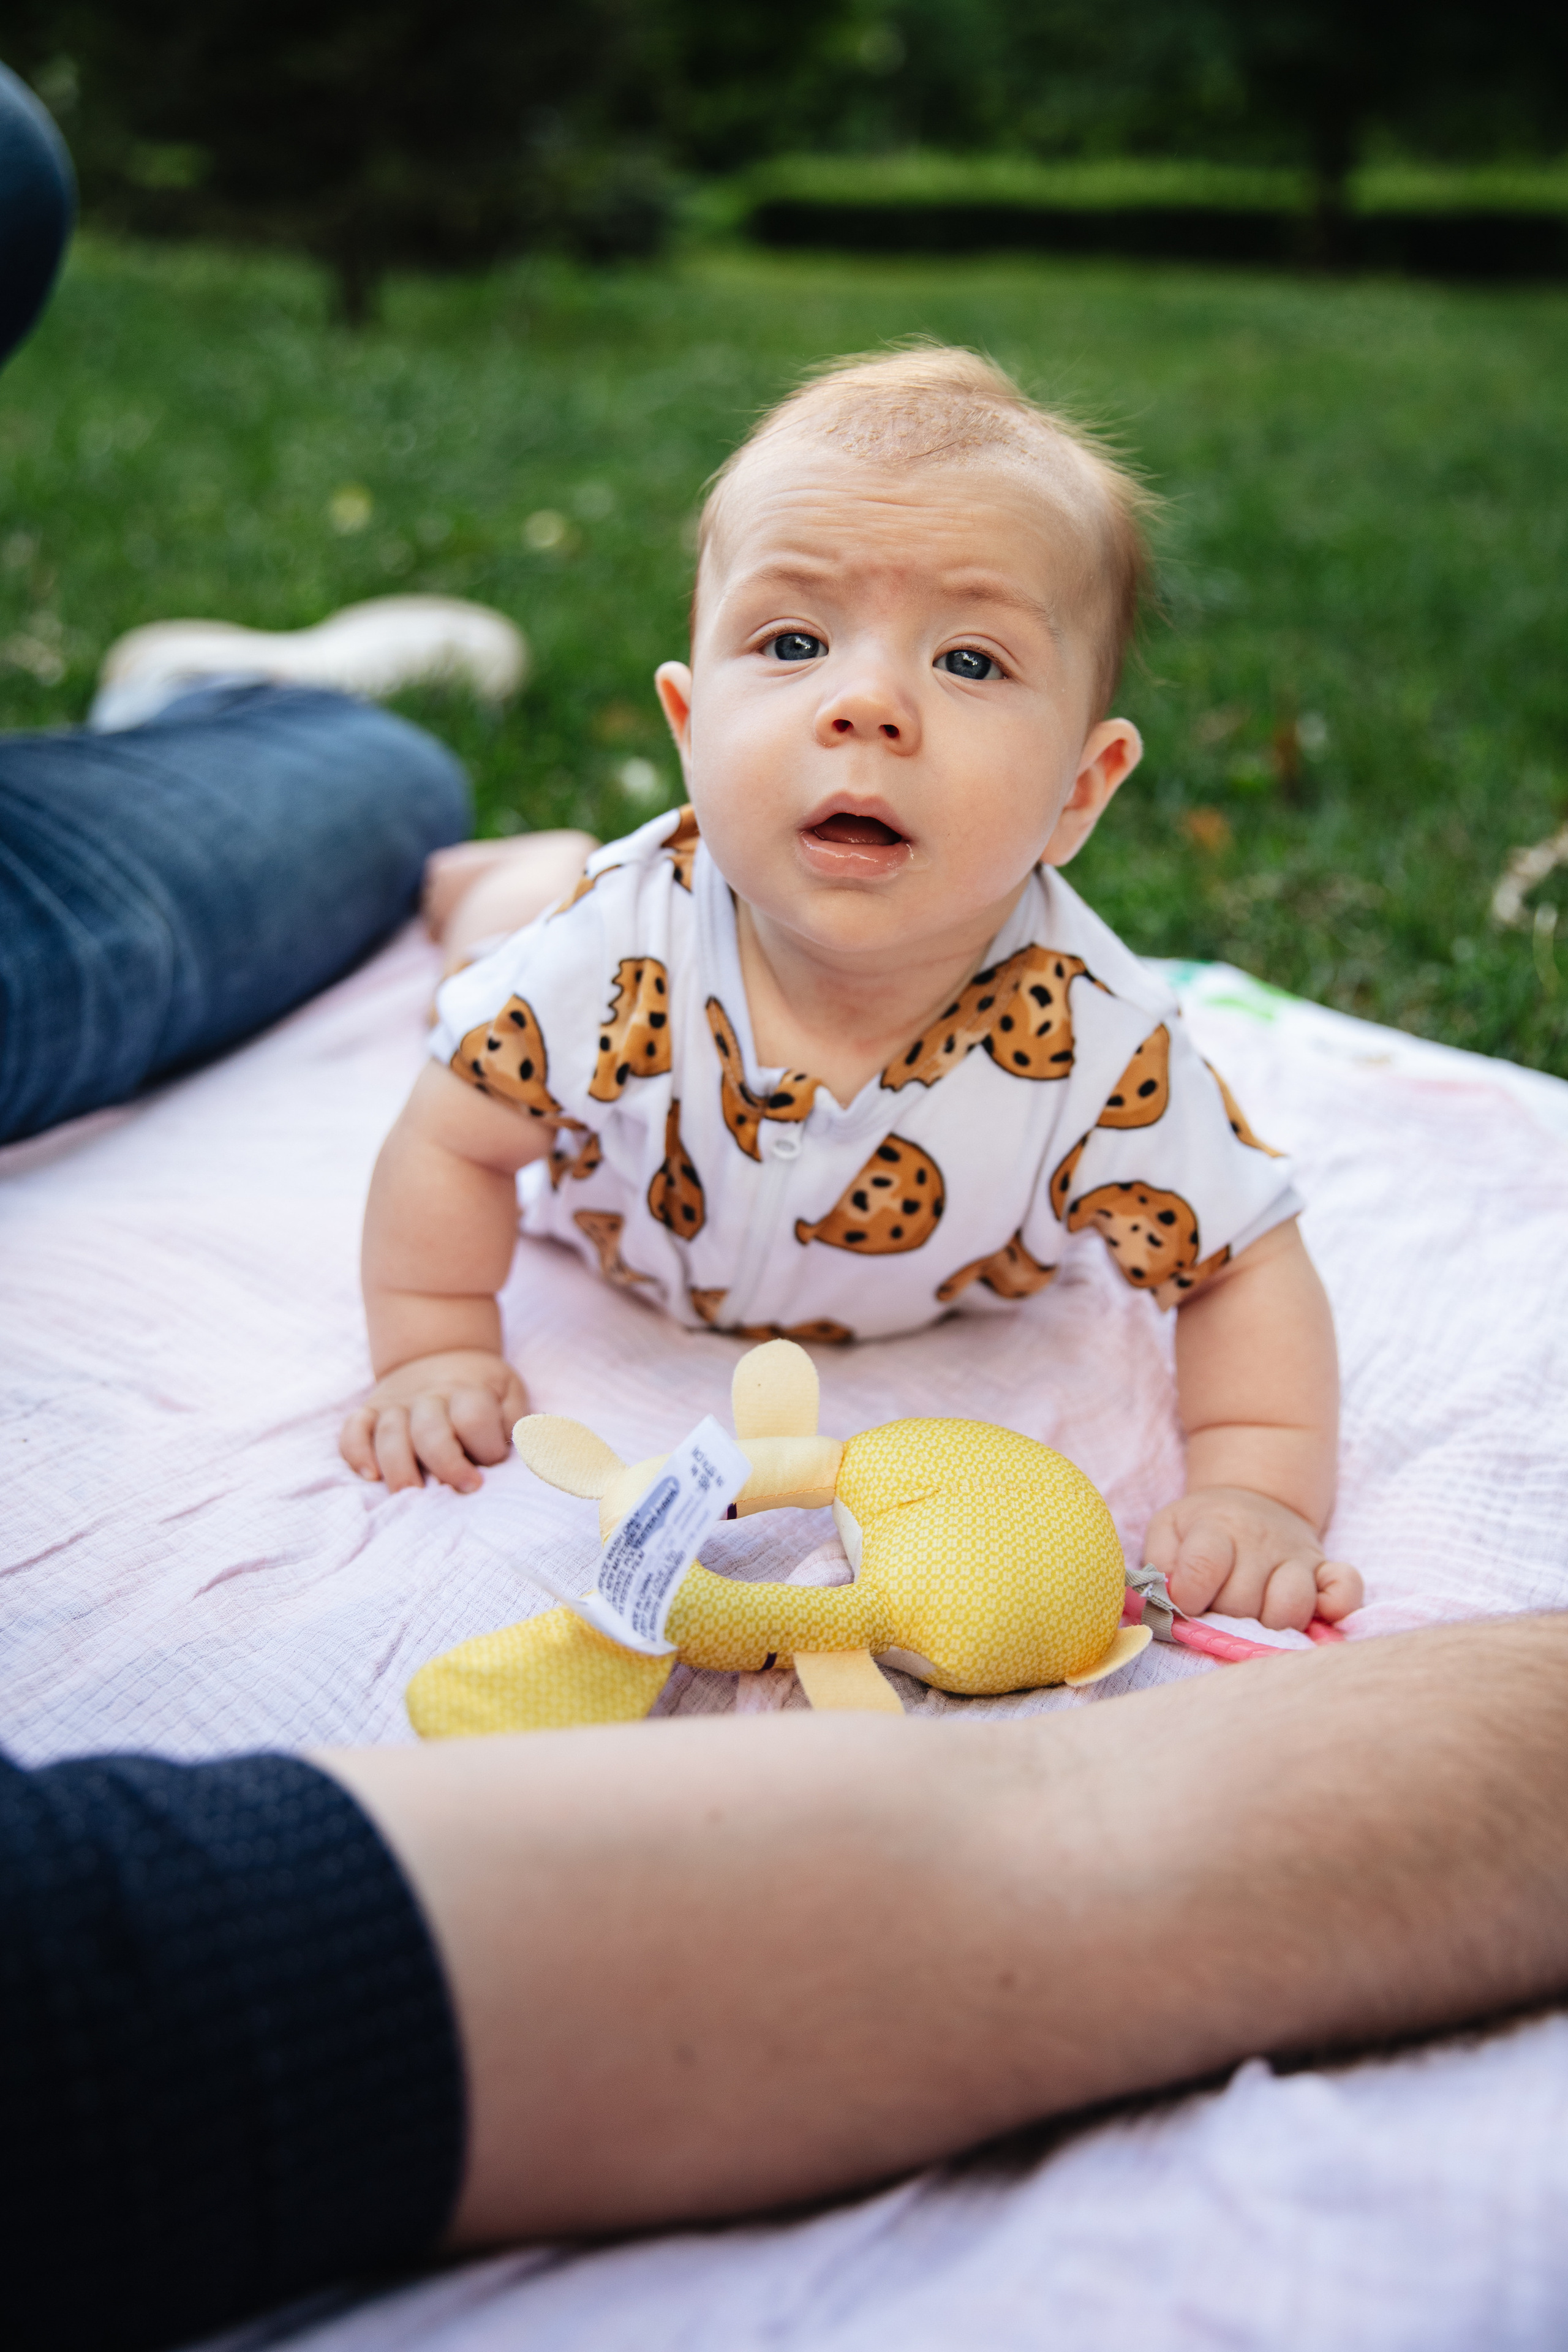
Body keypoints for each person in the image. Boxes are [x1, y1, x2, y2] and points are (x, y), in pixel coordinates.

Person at [342, 348, 1362, 1640]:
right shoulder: (613, 948)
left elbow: (1238, 1262)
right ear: (688, 725)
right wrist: (436, 1345)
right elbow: (455, 1138)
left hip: (931, 1280)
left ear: (1080, 790)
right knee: (490, 956)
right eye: (793, 642)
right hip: (618, 1210)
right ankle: (509, 877)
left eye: (970, 661)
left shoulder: (1095, 1041)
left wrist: (1256, 1486)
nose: (866, 704)